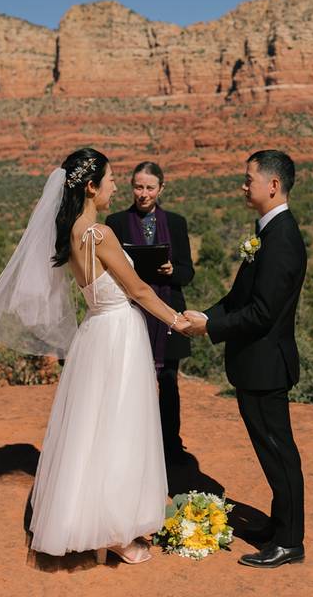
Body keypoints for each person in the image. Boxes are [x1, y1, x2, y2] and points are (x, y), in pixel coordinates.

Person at [0, 147, 191, 565]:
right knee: (118, 426)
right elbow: (139, 291)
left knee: (93, 427)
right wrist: (178, 321)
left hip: (95, 331)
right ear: (91, 187)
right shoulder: (99, 234)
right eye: (110, 179)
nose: (115, 185)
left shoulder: (71, 232)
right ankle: (114, 531)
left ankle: (87, 521)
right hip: (118, 332)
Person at [183, 150, 307, 569]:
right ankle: (279, 526)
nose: (243, 185)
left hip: (266, 365)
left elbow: (262, 313)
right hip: (254, 365)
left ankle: (290, 542)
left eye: (249, 178)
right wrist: (206, 316)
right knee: (270, 452)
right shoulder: (267, 234)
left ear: (272, 185)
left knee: (279, 452)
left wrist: (210, 329)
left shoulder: (283, 239)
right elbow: (240, 299)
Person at [105, 162, 194, 464]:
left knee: (169, 381)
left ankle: (171, 446)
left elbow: (188, 272)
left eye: (150, 188)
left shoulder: (177, 223)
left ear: (161, 189)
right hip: (133, 311)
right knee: (131, 379)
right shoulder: (115, 222)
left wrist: (171, 270)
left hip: (169, 311)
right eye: (138, 187)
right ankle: (131, 443)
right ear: (131, 186)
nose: (143, 194)